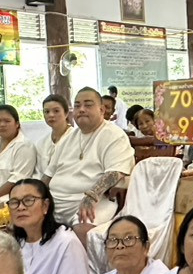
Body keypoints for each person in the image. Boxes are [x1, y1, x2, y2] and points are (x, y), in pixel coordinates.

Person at [42, 87, 134, 233]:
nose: (81, 109)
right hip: (55, 202)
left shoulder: (113, 134)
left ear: (102, 110)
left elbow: (116, 172)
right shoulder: (69, 137)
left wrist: (91, 196)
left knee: (83, 228)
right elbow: (48, 175)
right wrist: (35, 196)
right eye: (77, 105)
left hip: (93, 201)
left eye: (88, 105)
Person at [9, 178, 91, 274]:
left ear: (45, 205)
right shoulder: (15, 244)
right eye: (14, 202)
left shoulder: (66, 242)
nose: (20, 207)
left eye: (28, 200)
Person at [0, 104, 39, 199]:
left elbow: (17, 179)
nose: (2, 125)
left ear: (17, 124)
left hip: (12, 202)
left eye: (7, 121)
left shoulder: (24, 146)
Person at [35, 94, 71, 175]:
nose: (51, 115)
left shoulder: (75, 138)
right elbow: (38, 172)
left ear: (66, 113)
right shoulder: (41, 143)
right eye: (47, 111)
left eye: (56, 111)